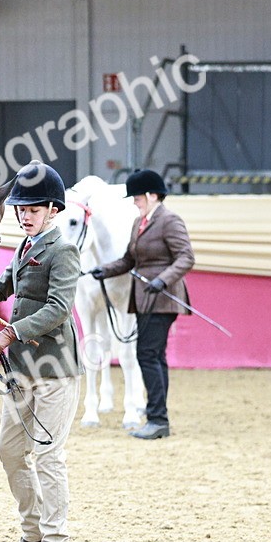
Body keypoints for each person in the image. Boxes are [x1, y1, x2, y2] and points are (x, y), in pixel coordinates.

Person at [0, 162, 82, 542]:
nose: (24, 215)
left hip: (55, 371)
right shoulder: (24, 247)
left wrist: (10, 333)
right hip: (21, 373)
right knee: (10, 451)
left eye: (33, 209)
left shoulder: (63, 251)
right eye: (21, 209)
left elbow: (58, 308)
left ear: (53, 209)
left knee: (48, 456)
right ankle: (32, 533)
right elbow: (3, 286)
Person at [90, 169, 194, 440]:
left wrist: (162, 280)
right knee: (152, 356)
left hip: (163, 298)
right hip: (145, 299)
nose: (134, 202)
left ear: (151, 195)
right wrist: (105, 270)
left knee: (148, 355)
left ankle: (157, 418)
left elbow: (186, 257)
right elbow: (129, 260)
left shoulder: (169, 221)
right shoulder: (140, 223)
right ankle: (157, 417)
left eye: (137, 197)